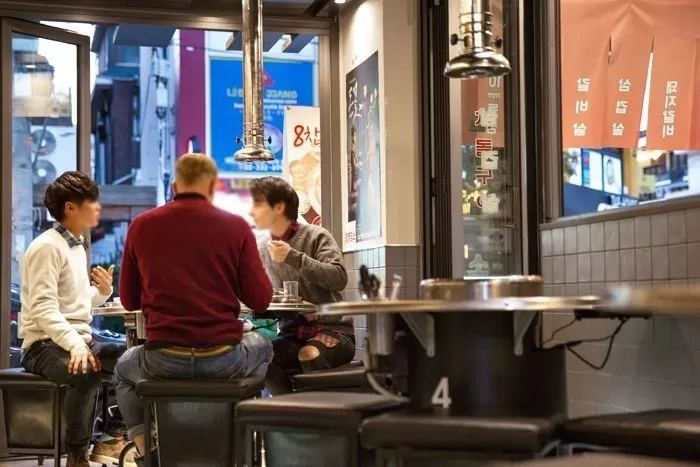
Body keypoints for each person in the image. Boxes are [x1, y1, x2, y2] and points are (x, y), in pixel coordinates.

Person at [114, 154, 273, 466]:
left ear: (174, 185)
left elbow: (129, 301)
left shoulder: (141, 226)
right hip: (223, 360)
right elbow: (261, 301)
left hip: (162, 360)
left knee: (122, 370)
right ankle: (239, 446)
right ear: (212, 187)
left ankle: (149, 454)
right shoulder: (236, 227)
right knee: (265, 347)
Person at [19, 171, 124, 467]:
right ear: (70, 208)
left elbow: (73, 302)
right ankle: (77, 455)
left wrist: (102, 292)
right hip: (42, 346)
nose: (98, 209)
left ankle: (110, 437)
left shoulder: (75, 246)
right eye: (91, 202)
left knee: (137, 359)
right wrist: (76, 345)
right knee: (85, 370)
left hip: (76, 341)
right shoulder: (46, 247)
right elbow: (43, 309)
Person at [249, 177, 355, 394]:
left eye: (258, 203)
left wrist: (293, 257)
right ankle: (289, 417)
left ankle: (319, 420)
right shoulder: (262, 248)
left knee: (310, 354)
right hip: (291, 334)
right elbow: (269, 297)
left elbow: (339, 277)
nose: (252, 210)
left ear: (279, 207)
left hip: (333, 331)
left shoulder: (317, 236)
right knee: (262, 358)